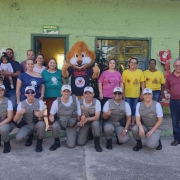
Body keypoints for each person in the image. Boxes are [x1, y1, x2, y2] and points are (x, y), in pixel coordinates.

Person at [13, 86, 45, 152]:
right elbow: (15, 120)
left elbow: (42, 117)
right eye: (28, 92)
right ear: (25, 94)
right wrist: (19, 113)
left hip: (37, 124)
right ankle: (30, 135)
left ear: (35, 93)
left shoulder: (40, 102)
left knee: (41, 124)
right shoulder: (21, 104)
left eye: (32, 92)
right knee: (19, 138)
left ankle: (39, 142)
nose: (30, 94)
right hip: (28, 125)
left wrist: (40, 115)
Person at [49, 84, 80, 150]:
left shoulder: (75, 99)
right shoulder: (56, 102)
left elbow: (79, 113)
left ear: (71, 92)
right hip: (60, 121)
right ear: (61, 92)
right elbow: (51, 115)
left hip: (71, 124)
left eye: (68, 91)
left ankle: (69, 138)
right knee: (54, 126)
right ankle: (56, 141)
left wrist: (78, 122)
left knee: (71, 145)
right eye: (64, 91)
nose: (66, 93)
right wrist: (51, 118)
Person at [41, 58, 65, 131]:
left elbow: (64, 82)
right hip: (49, 95)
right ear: (48, 64)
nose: (52, 64)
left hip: (59, 95)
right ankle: (51, 125)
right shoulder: (44, 72)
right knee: (50, 110)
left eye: (54, 63)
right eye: (51, 63)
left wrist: (64, 92)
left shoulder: (60, 72)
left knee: (60, 110)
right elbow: (42, 84)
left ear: (56, 64)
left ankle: (61, 124)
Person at [77, 86, 102, 152]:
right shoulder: (79, 102)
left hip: (93, 121)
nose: (88, 95)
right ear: (83, 94)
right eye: (86, 93)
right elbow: (78, 116)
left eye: (90, 93)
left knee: (96, 124)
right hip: (85, 123)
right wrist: (81, 119)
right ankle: (88, 133)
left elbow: (97, 117)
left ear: (93, 94)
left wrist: (86, 119)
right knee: (80, 142)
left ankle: (97, 142)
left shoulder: (97, 102)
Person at [122, 57, 145, 127]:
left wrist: (142, 92)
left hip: (136, 94)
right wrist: (122, 93)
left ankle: (133, 122)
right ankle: (128, 123)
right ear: (129, 63)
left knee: (135, 108)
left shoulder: (140, 72)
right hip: (127, 94)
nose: (133, 64)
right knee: (128, 109)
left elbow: (142, 83)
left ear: (137, 64)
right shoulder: (125, 72)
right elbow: (122, 83)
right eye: (131, 62)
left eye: (135, 63)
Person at [165, 58, 180, 146]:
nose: (178, 67)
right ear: (173, 66)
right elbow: (167, 88)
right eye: (176, 65)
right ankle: (177, 139)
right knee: (175, 121)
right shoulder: (170, 76)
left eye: (179, 65)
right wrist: (175, 93)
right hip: (174, 102)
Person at [2, 48, 21, 113]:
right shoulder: (1, 63)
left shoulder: (15, 63)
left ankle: (12, 121)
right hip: (1, 89)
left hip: (13, 89)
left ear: (12, 54)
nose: (9, 53)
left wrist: (9, 74)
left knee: (13, 106)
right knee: (2, 106)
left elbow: (18, 73)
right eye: (8, 52)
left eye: (11, 52)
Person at [0, 85, 14, 153]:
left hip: (7, 123)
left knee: (3, 129)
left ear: (4, 92)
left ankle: (7, 144)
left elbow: (9, 118)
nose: (0, 91)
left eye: (1, 90)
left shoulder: (8, 101)